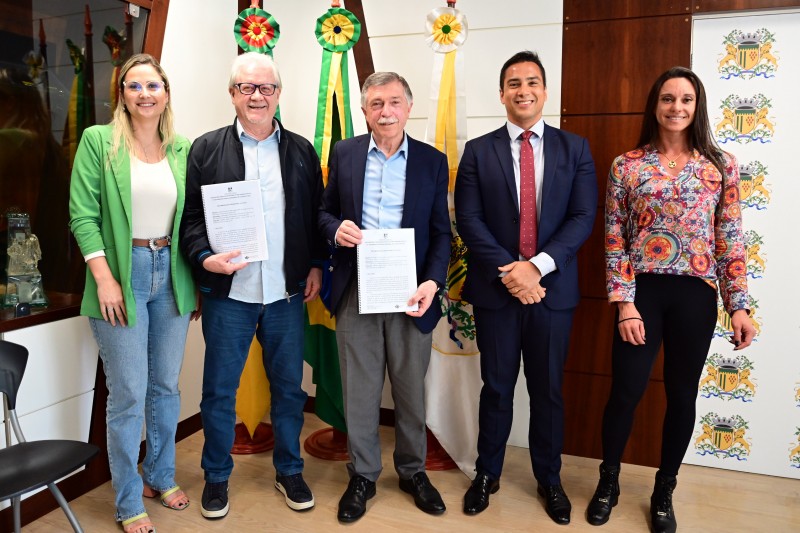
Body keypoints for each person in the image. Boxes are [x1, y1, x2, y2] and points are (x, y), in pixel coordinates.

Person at [586, 66, 755, 533]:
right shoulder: (627, 165)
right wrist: (624, 303)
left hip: (695, 298)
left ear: (697, 106)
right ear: (655, 105)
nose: (676, 107)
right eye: (667, 99)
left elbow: (730, 238)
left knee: (682, 395)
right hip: (641, 296)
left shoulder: (720, 166)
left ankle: (664, 491)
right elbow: (614, 237)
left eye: (686, 99)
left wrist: (738, 304)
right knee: (625, 392)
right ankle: (608, 482)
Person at [179, 52, 325, 520]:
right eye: (247, 88)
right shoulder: (205, 149)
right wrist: (206, 258)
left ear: (279, 94)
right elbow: (192, 221)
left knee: (289, 390)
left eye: (266, 88)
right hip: (230, 296)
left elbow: (316, 216)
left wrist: (317, 265)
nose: (257, 96)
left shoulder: (301, 150)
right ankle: (216, 478)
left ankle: (289, 470)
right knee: (219, 392)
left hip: (285, 293)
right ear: (233, 94)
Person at [454, 50, 597, 525]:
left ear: (544, 90)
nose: (523, 91)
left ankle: (549, 479)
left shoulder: (575, 148)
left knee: (548, 390)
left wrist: (536, 267)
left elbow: (582, 218)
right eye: (513, 83)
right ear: (501, 94)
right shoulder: (478, 150)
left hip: (552, 291)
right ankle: (486, 474)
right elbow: (469, 220)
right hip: (497, 292)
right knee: (495, 387)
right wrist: (512, 272)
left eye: (532, 82)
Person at [69, 53, 198, 533]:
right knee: (127, 394)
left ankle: (159, 476)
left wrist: (198, 280)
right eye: (134, 85)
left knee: (166, 386)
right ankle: (127, 500)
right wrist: (104, 278)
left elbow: (193, 220)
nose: (145, 94)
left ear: (166, 93)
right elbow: (83, 215)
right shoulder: (98, 142)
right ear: (122, 93)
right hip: (121, 273)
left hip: (173, 273)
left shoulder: (181, 148)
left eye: (154, 85)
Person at [318, 71, 451, 523]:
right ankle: (363, 474)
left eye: (394, 102)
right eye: (376, 104)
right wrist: (335, 228)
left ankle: (413, 470)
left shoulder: (433, 161)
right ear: (364, 111)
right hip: (358, 286)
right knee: (360, 387)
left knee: (411, 387)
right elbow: (324, 211)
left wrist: (433, 282)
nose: (386, 111)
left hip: (412, 290)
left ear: (409, 108)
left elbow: (440, 233)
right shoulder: (346, 153)